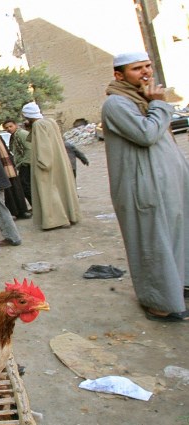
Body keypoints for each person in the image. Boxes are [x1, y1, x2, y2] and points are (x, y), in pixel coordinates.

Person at [101, 51, 189, 322]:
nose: (146, 72)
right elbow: (146, 134)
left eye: (148, 66)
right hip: (143, 188)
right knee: (153, 243)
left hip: (167, 185)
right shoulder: (116, 104)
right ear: (119, 75)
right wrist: (160, 105)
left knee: (177, 235)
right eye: (137, 69)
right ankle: (160, 303)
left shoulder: (142, 98)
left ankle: (179, 286)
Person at [21, 102, 81, 230]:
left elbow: (44, 146)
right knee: (60, 188)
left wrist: (43, 164)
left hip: (47, 163)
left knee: (49, 190)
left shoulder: (38, 124)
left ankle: (57, 220)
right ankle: (69, 215)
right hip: (58, 160)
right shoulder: (50, 122)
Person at [2, 119, 33, 206]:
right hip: (22, 164)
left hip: (26, 163)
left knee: (25, 186)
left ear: (15, 125)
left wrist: (25, 162)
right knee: (26, 187)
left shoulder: (21, 134)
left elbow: (29, 148)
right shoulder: (14, 135)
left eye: (10, 126)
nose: (9, 129)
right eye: (6, 128)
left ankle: (36, 205)